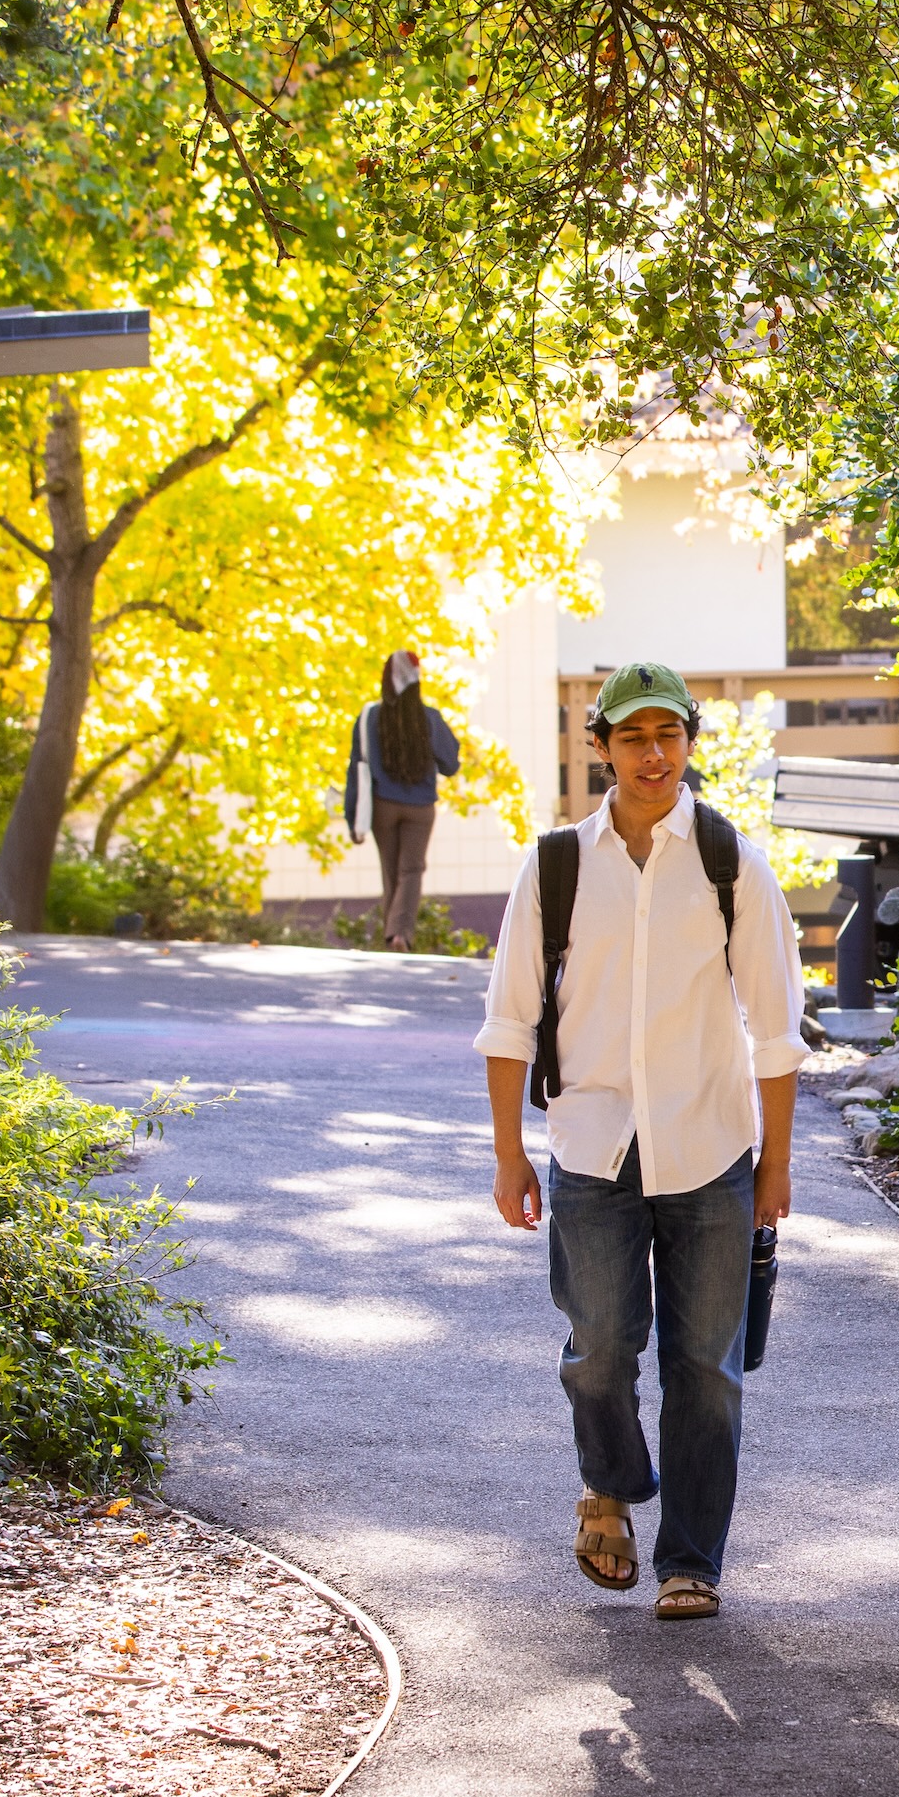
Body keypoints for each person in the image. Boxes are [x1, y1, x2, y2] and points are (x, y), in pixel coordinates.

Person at [477, 662, 805, 1619]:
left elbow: (776, 1029)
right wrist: (508, 1153)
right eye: (633, 737)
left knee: (707, 1367)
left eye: (669, 735)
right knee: (599, 1348)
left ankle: (690, 1561)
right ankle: (609, 1486)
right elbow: (509, 1019)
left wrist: (775, 1165)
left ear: (690, 740)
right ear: (602, 748)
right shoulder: (556, 867)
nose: (653, 755)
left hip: (710, 1150)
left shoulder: (730, 863)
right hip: (592, 1148)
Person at [344, 650, 461, 951]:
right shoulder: (429, 718)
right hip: (420, 808)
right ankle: (400, 934)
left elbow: (356, 769)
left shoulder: (369, 718)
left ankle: (391, 937)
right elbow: (450, 764)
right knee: (411, 870)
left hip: (382, 806)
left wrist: (351, 817)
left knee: (391, 872)